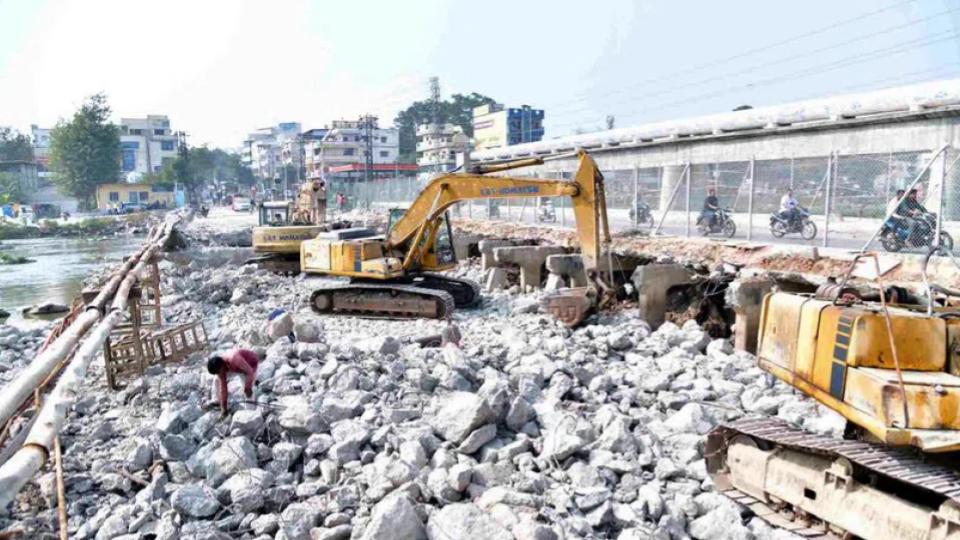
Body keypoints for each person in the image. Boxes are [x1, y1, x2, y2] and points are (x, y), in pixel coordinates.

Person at [207, 349, 260, 418]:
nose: (219, 374)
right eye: (217, 373)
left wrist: (248, 386)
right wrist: (224, 408)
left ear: (222, 365)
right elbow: (223, 388)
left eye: (218, 372)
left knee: (248, 392)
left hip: (250, 364)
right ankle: (216, 401)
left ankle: (251, 414)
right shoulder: (221, 369)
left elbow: (249, 372)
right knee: (216, 379)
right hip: (233, 367)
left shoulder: (234, 358)